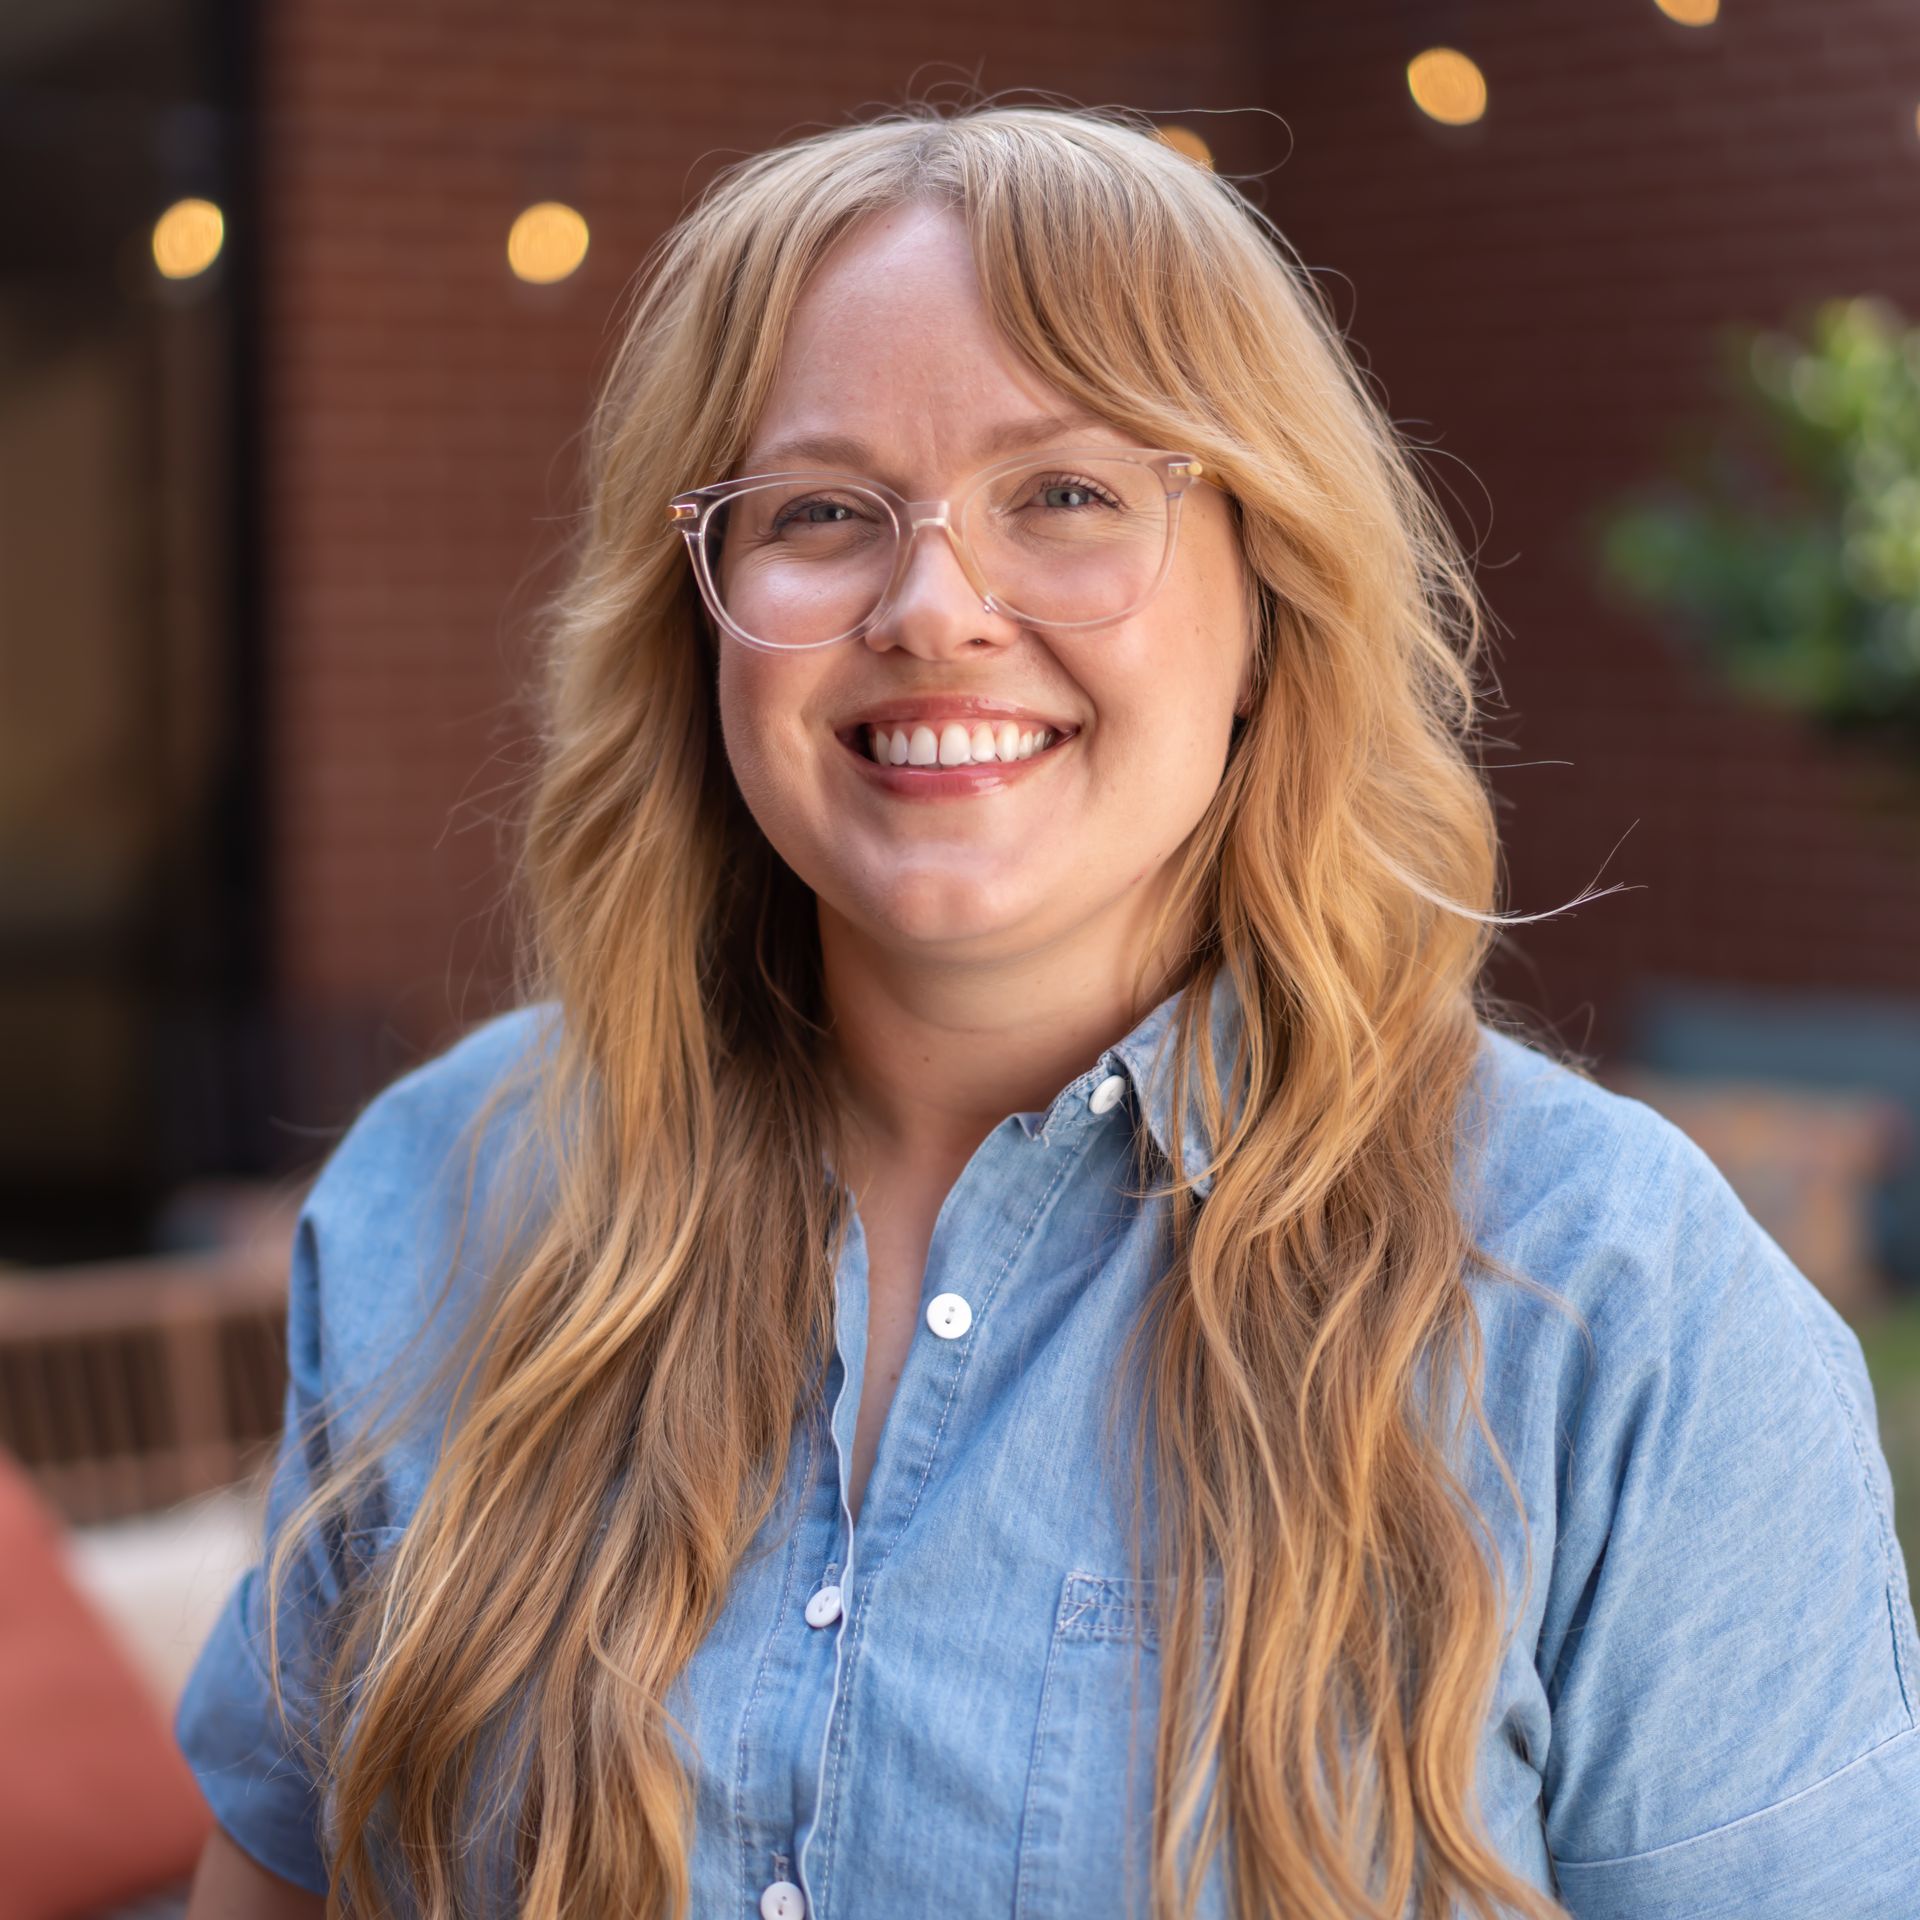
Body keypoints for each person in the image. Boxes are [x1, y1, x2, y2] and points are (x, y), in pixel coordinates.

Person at [174, 100, 1920, 1920]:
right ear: (697, 621)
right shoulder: (444, 1189)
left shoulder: (1614, 1312)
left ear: (1271, 594)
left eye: (1068, 494)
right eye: (822, 512)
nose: (934, 609)